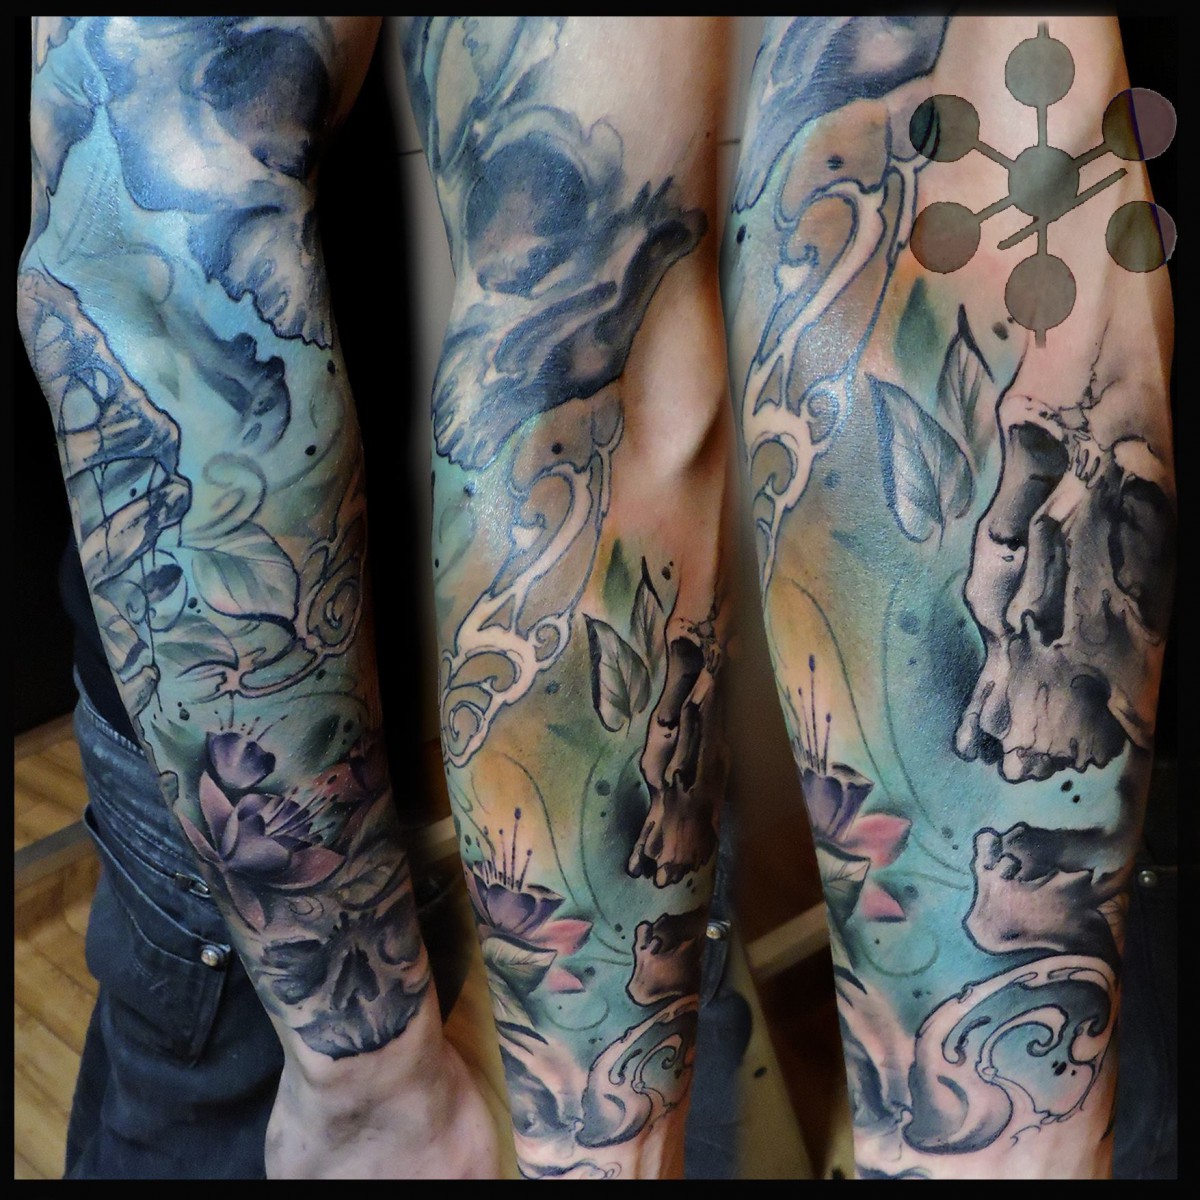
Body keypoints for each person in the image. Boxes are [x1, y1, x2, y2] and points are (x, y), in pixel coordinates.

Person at [18, 15, 1174, 1180]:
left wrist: (363, 1079)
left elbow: (147, 246)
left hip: (272, 800)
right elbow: (956, 185)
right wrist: (998, 1145)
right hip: (526, 801)